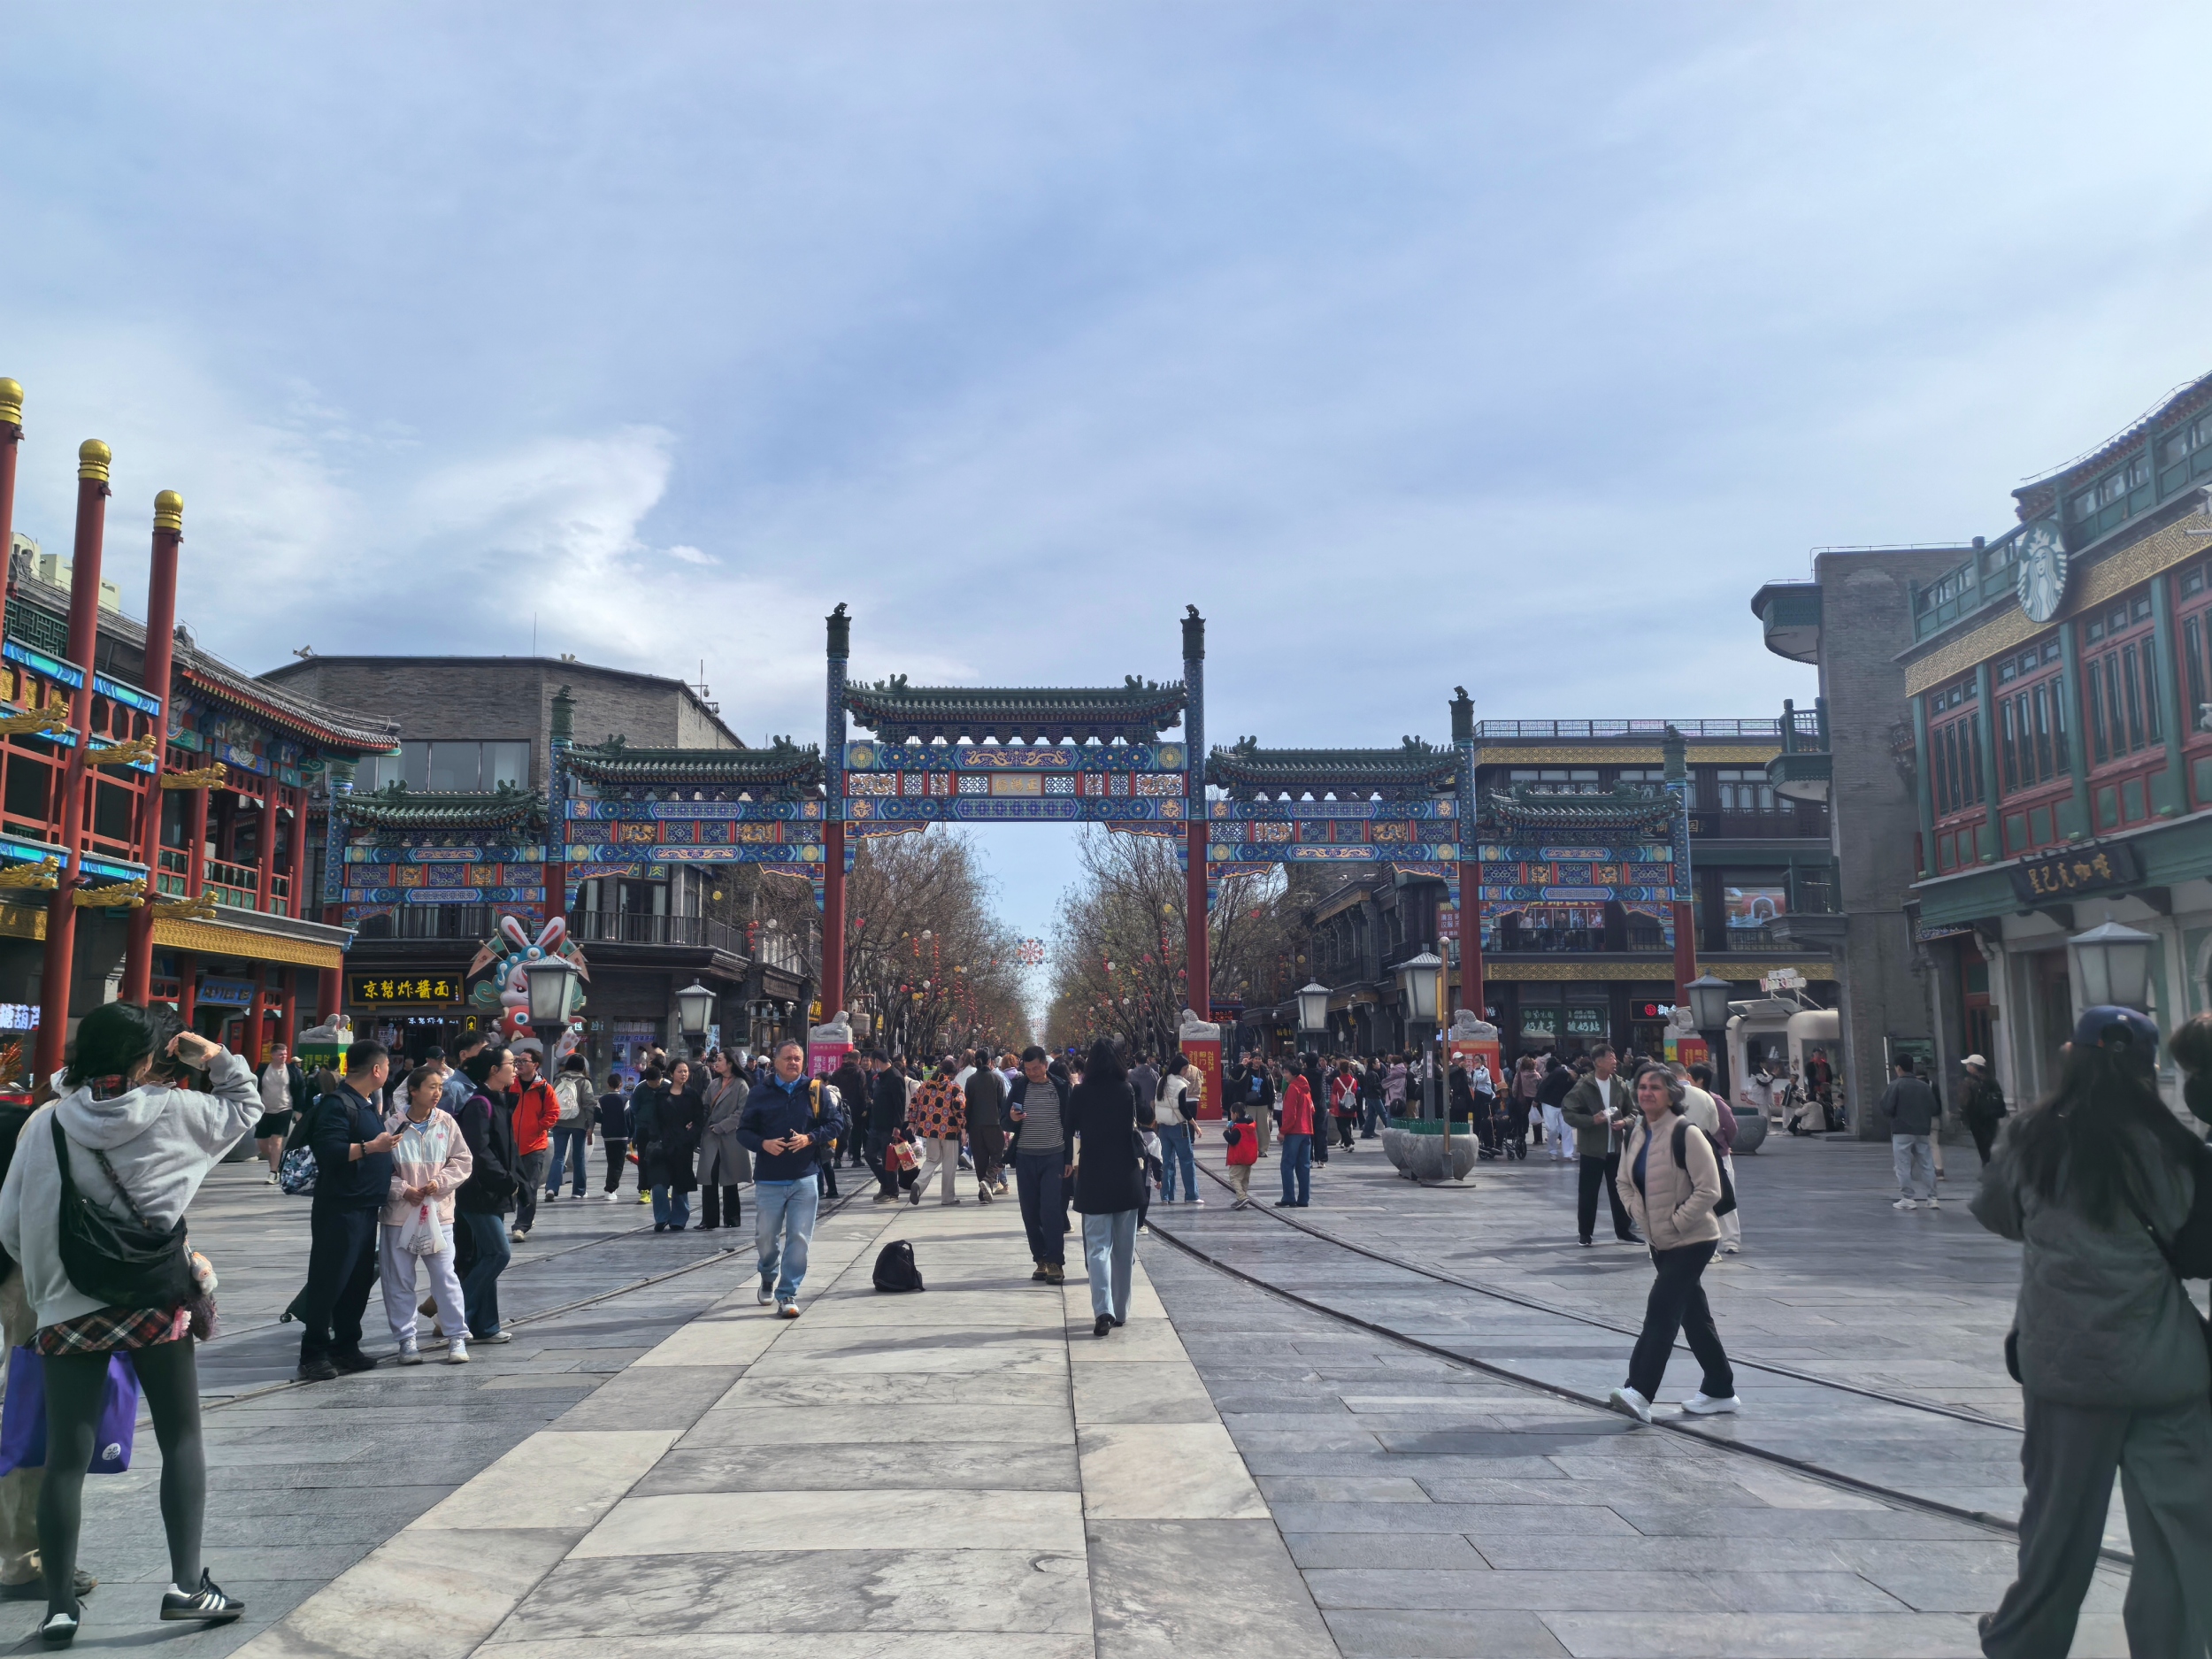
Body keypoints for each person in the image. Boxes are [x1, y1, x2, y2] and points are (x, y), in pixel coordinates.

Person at [1973, 1006, 2212, 1655]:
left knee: (2058, 1527)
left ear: (2070, 1056)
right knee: (2182, 1532)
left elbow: (1996, 1212)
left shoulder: (2029, 1135)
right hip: (2167, 1364)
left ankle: (2025, 1643)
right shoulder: (2177, 1143)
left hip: (2067, 1364)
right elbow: (2197, 1248)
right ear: (2148, 1066)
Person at [1608, 1063, 1738, 1425]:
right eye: (1643, 1086)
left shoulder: (1686, 1132)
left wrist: (1676, 1222)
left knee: (1662, 1308)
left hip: (1693, 1239)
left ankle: (1639, 1391)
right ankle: (1720, 1387)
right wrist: (1641, 1215)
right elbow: (1622, 1182)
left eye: (1656, 1087)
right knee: (1694, 1316)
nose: (1647, 1092)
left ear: (1672, 1094)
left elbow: (1709, 1189)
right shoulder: (1635, 1132)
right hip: (1659, 1241)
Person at [290, 1041, 401, 1382]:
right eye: (386, 1068)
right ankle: (314, 1351)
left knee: (356, 1282)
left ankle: (346, 1345)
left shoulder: (365, 1104)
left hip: (365, 1206)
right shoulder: (338, 1104)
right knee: (330, 1279)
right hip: (340, 1206)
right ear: (377, 1070)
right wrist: (373, 1147)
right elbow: (329, 1151)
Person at [734, 1040, 839, 1317]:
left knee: (800, 1239)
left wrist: (810, 1138)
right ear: (776, 1062)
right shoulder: (760, 1092)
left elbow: (836, 1123)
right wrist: (763, 1144)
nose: (793, 1063)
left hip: (805, 1178)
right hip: (770, 1179)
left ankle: (787, 1292)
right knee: (766, 1238)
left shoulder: (815, 1090)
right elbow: (743, 1131)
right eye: (788, 1058)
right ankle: (768, 1274)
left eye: (798, 1058)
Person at [378, 1064, 472, 1365]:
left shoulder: (446, 1123)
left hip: (438, 1213)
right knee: (399, 1279)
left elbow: (462, 1160)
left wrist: (441, 1183)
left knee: (445, 1276)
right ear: (414, 1091)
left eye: (440, 1088)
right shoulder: (392, 1126)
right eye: (431, 1087)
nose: (437, 1093)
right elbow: (381, 1169)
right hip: (400, 1214)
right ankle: (407, 1340)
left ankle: (456, 1335)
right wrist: (402, 1189)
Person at [1069, 1039, 1143, 1336]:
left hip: (1093, 1176)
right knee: (1124, 1250)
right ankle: (1122, 1311)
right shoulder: (1127, 1090)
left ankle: (1104, 1310)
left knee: (1097, 1248)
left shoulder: (1081, 1092)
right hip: (1125, 1176)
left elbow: (1070, 1126)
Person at [1562, 1044, 1639, 1246]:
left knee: (1620, 1192)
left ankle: (1624, 1231)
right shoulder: (1584, 1086)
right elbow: (1568, 1112)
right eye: (1611, 1059)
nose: (1615, 1062)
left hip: (1616, 1147)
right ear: (1597, 1062)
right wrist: (1591, 1121)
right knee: (1588, 1193)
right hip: (1592, 1149)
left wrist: (1625, 1122)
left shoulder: (1620, 1084)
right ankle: (1585, 1234)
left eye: (1615, 1059)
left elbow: (1633, 1112)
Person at [1009, 1047, 1071, 1283]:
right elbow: (1005, 1119)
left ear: (1045, 1064)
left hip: (1054, 1157)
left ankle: (1056, 1262)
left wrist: (1068, 1160)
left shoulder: (1061, 1087)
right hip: (1025, 1157)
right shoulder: (1019, 1086)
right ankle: (1041, 1260)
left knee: (1051, 1211)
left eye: (1036, 1068)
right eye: (1027, 1069)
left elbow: (1069, 1124)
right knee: (1030, 1213)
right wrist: (1012, 1120)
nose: (1032, 1073)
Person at [634, 1061, 701, 1233]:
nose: (684, 1074)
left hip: (682, 1146)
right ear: (671, 1073)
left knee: (680, 1185)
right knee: (658, 1184)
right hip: (661, 1146)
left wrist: (692, 1132)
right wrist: (656, 1137)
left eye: (686, 1071)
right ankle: (662, 1217)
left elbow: (699, 1117)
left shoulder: (692, 1095)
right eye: (680, 1071)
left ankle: (679, 1219)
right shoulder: (661, 1094)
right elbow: (653, 1118)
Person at [507, 1046, 560, 1242]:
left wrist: (538, 1127)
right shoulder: (509, 1084)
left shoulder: (544, 1089)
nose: (519, 1064)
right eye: (518, 1061)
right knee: (509, 1185)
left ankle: (521, 1226)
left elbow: (554, 1113)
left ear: (535, 1065)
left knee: (529, 1186)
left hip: (534, 1145)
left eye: (524, 1061)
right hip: (510, 1145)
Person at [1688, 1063, 1741, 1256]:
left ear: (1700, 1080)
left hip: (1719, 1155)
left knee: (1727, 1196)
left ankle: (1732, 1241)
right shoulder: (1685, 1098)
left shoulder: (1714, 1100)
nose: (1686, 1080)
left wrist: (1723, 1142)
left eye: (1690, 1077)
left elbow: (1731, 1125)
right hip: (1697, 1155)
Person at [696, 1050, 750, 1232]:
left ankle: (732, 1218)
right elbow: (705, 1107)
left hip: (730, 1136)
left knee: (730, 1178)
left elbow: (742, 1112)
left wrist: (722, 1125)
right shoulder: (714, 1084)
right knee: (709, 1178)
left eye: (720, 1060)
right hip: (711, 1135)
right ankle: (709, 1219)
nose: (716, 1063)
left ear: (729, 1064)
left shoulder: (741, 1085)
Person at [1880, 1056, 1939, 1210]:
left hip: (1902, 1130)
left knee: (1903, 1166)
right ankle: (1932, 1198)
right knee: (1927, 1164)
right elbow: (1934, 1107)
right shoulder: (1924, 1086)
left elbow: (1886, 1107)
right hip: (1922, 1130)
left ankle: (1908, 1198)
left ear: (1898, 1068)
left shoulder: (1895, 1085)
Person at [906, 1064, 965, 1207]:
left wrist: (912, 1122)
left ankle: (918, 1183)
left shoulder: (924, 1086)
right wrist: (963, 1128)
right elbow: (959, 1107)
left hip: (930, 1129)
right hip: (949, 1129)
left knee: (932, 1159)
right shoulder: (953, 1087)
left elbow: (913, 1103)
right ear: (952, 1074)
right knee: (949, 1164)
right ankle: (947, 1197)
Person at [542, 1055, 595, 1202]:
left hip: (560, 1122)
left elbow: (550, 1100)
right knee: (579, 1157)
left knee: (559, 1156)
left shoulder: (558, 1079)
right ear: (582, 1067)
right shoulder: (584, 1082)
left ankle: (551, 1188)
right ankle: (578, 1191)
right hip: (579, 1125)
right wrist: (590, 1124)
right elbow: (589, 1104)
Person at [253, 1042, 306, 1185]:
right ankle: (279, 1163)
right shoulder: (263, 1070)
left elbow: (301, 1089)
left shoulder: (292, 1071)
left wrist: (298, 1110)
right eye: (281, 1054)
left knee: (277, 1141)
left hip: (284, 1109)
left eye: (285, 1054)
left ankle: (273, 1172)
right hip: (265, 1110)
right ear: (273, 1055)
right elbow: (254, 1088)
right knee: (262, 1143)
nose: (284, 1057)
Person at [1154, 1055, 1201, 1202]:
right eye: (1185, 1069)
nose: (1186, 1072)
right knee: (1186, 1161)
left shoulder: (1161, 1080)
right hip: (1179, 1127)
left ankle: (1166, 1196)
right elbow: (1183, 1109)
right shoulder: (1181, 1086)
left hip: (1163, 1128)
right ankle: (1191, 1195)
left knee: (1166, 1162)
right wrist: (1195, 1124)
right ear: (1179, 1068)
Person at [964, 1049, 1007, 1203]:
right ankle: (988, 1180)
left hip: (975, 1126)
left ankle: (983, 1192)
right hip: (994, 1124)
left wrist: (965, 1128)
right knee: (999, 1155)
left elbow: (966, 1106)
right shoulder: (996, 1078)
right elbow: (1003, 1103)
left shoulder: (971, 1080)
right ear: (990, 1061)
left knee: (980, 1159)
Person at [1276, 1063, 1316, 1208]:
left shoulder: (1293, 1088)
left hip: (1294, 1132)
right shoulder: (1306, 1089)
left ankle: (1289, 1197)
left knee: (1287, 1164)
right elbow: (1312, 1110)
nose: (1284, 1075)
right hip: (1307, 1131)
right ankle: (1304, 1199)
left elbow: (1290, 1114)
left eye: (1286, 1072)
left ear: (1293, 1074)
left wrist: (1282, 1131)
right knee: (1303, 1166)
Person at [1960, 1055, 2008, 1165]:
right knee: (1990, 1142)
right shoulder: (1991, 1080)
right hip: (1991, 1116)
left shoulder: (1970, 1082)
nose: (1967, 1066)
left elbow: (1965, 1101)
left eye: (1968, 1064)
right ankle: (1991, 1164)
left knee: (1982, 1144)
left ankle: (1987, 1165)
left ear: (1974, 1067)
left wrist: (1963, 1115)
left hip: (1977, 1118)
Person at [595, 1071, 632, 1200]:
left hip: (608, 1135)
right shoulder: (624, 1100)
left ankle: (610, 1187)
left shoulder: (602, 1100)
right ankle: (611, 1189)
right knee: (618, 1164)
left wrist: (607, 1120)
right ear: (621, 1085)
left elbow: (598, 1117)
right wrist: (631, 1135)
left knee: (611, 1162)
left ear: (608, 1085)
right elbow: (629, 1119)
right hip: (622, 1135)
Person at [1223, 1097, 1261, 1208]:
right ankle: (1242, 1198)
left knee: (1234, 1178)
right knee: (1244, 1180)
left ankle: (1242, 1197)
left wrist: (1226, 1132)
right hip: (1249, 1157)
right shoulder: (1250, 1125)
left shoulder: (1238, 1128)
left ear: (1236, 1114)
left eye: (1231, 1113)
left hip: (1239, 1158)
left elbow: (1232, 1140)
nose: (1231, 1116)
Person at [1538, 1054, 1576, 1161]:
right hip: (1560, 1104)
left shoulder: (1555, 1074)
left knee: (1552, 1129)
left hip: (1550, 1103)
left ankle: (1553, 1152)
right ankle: (1568, 1153)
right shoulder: (1564, 1073)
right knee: (1566, 1129)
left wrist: (1537, 1100)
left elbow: (1543, 1087)